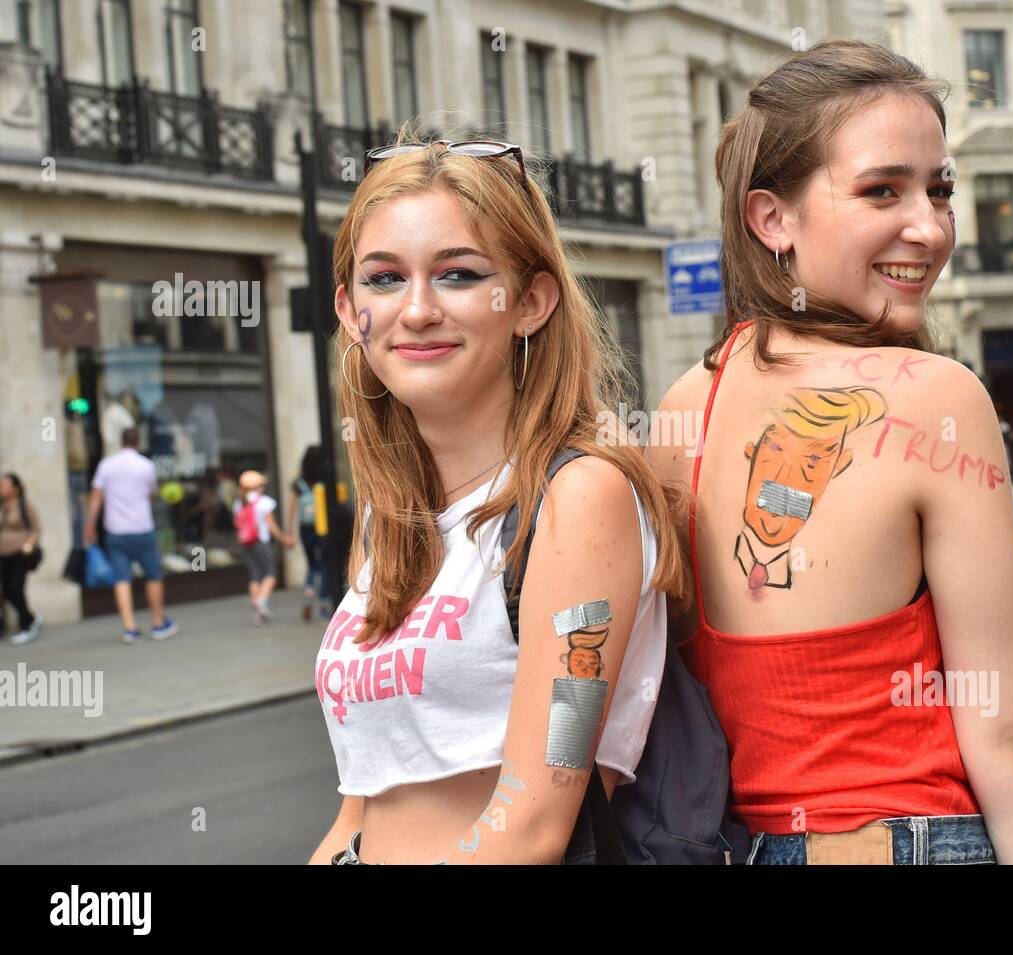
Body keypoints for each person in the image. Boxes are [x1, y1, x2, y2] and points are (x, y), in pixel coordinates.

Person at [648, 39, 1013, 865]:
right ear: (772, 218)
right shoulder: (934, 394)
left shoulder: (683, 404)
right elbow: (1010, 741)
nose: (930, 224)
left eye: (939, 189)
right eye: (883, 189)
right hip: (903, 838)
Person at [308, 128, 687, 865]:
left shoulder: (581, 497)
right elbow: (361, 802)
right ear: (352, 313)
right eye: (383, 279)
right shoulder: (389, 517)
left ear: (531, 301)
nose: (416, 310)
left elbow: (538, 820)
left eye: (457, 274)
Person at [84, 427, 179, 643]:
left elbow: (96, 496)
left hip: (116, 529)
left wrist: (89, 524)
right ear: (138, 442)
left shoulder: (106, 465)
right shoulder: (145, 465)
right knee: (153, 575)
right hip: (142, 527)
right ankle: (157, 622)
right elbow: (151, 494)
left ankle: (130, 627)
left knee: (122, 578)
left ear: (121, 441)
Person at [233, 470, 294, 625]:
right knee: (270, 574)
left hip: (247, 543)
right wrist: (283, 539)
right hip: (261, 542)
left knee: (254, 576)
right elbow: (271, 526)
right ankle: (261, 602)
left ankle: (258, 612)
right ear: (257, 486)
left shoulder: (238, 503)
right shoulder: (263, 502)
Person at [287, 445, 332, 621]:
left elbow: (292, 510)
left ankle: (308, 596)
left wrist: (289, 532)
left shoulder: (299, 483)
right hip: (323, 527)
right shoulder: (325, 479)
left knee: (313, 564)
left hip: (305, 528)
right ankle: (323, 603)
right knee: (326, 564)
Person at [0, 472, 44, 645]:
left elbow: (36, 529)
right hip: (2, 555)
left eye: (5, 485)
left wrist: (27, 546)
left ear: (16, 489)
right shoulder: (2, 506)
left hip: (19, 554)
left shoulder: (25, 506)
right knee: (7, 591)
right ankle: (31, 619)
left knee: (16, 588)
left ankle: (27, 626)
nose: (2, 488)